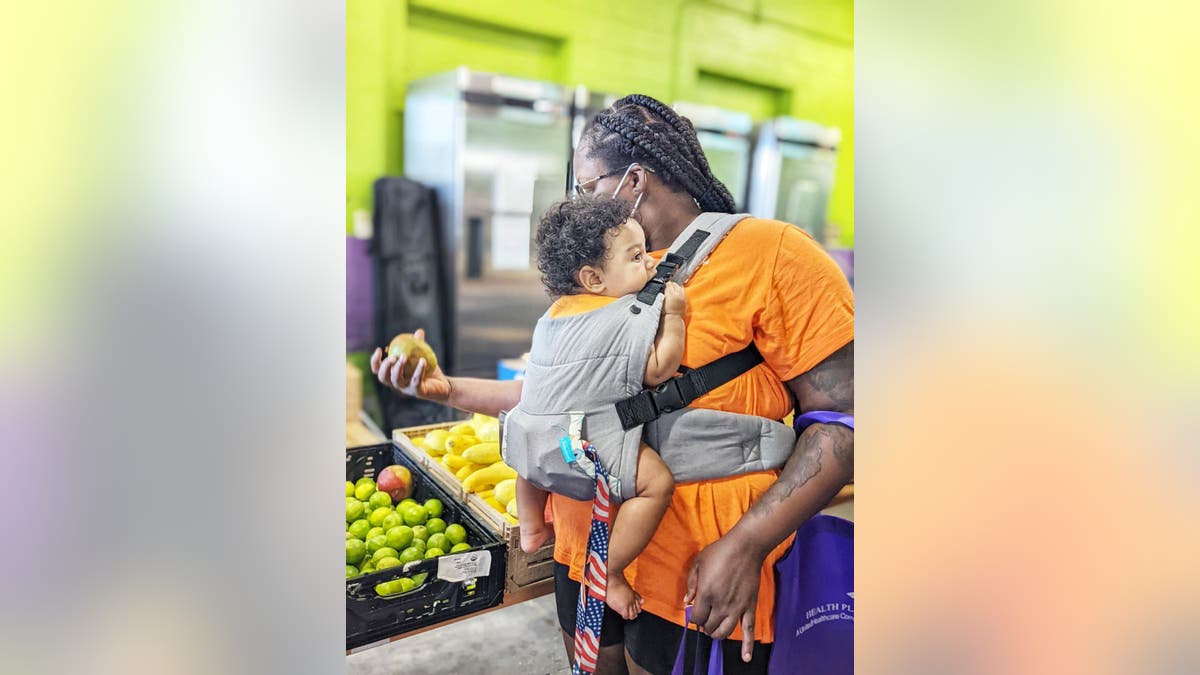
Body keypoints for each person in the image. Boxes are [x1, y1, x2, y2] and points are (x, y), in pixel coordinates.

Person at [373, 93, 854, 675]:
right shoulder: (600, 273)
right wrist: (444, 390)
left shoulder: (774, 256)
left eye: (586, 186)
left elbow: (843, 422)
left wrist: (749, 544)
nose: (580, 203)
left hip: (703, 567)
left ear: (633, 181)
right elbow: (554, 398)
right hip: (591, 555)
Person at [512, 194, 681, 620]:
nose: (650, 265)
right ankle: (606, 571)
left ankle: (531, 527)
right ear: (593, 278)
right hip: (582, 443)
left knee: (527, 451)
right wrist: (674, 315)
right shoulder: (621, 316)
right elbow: (660, 369)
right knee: (656, 484)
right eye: (637, 257)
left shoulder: (553, 315)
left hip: (528, 441)